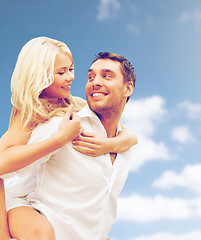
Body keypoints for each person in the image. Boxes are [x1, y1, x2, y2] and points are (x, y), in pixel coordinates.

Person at [0, 37, 137, 240]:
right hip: (18, 201)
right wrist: (60, 138)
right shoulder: (30, 112)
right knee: (42, 234)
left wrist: (112, 144)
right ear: (40, 77)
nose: (71, 77)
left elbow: (129, 135)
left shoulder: (74, 107)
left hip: (48, 212)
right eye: (61, 72)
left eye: (71, 70)